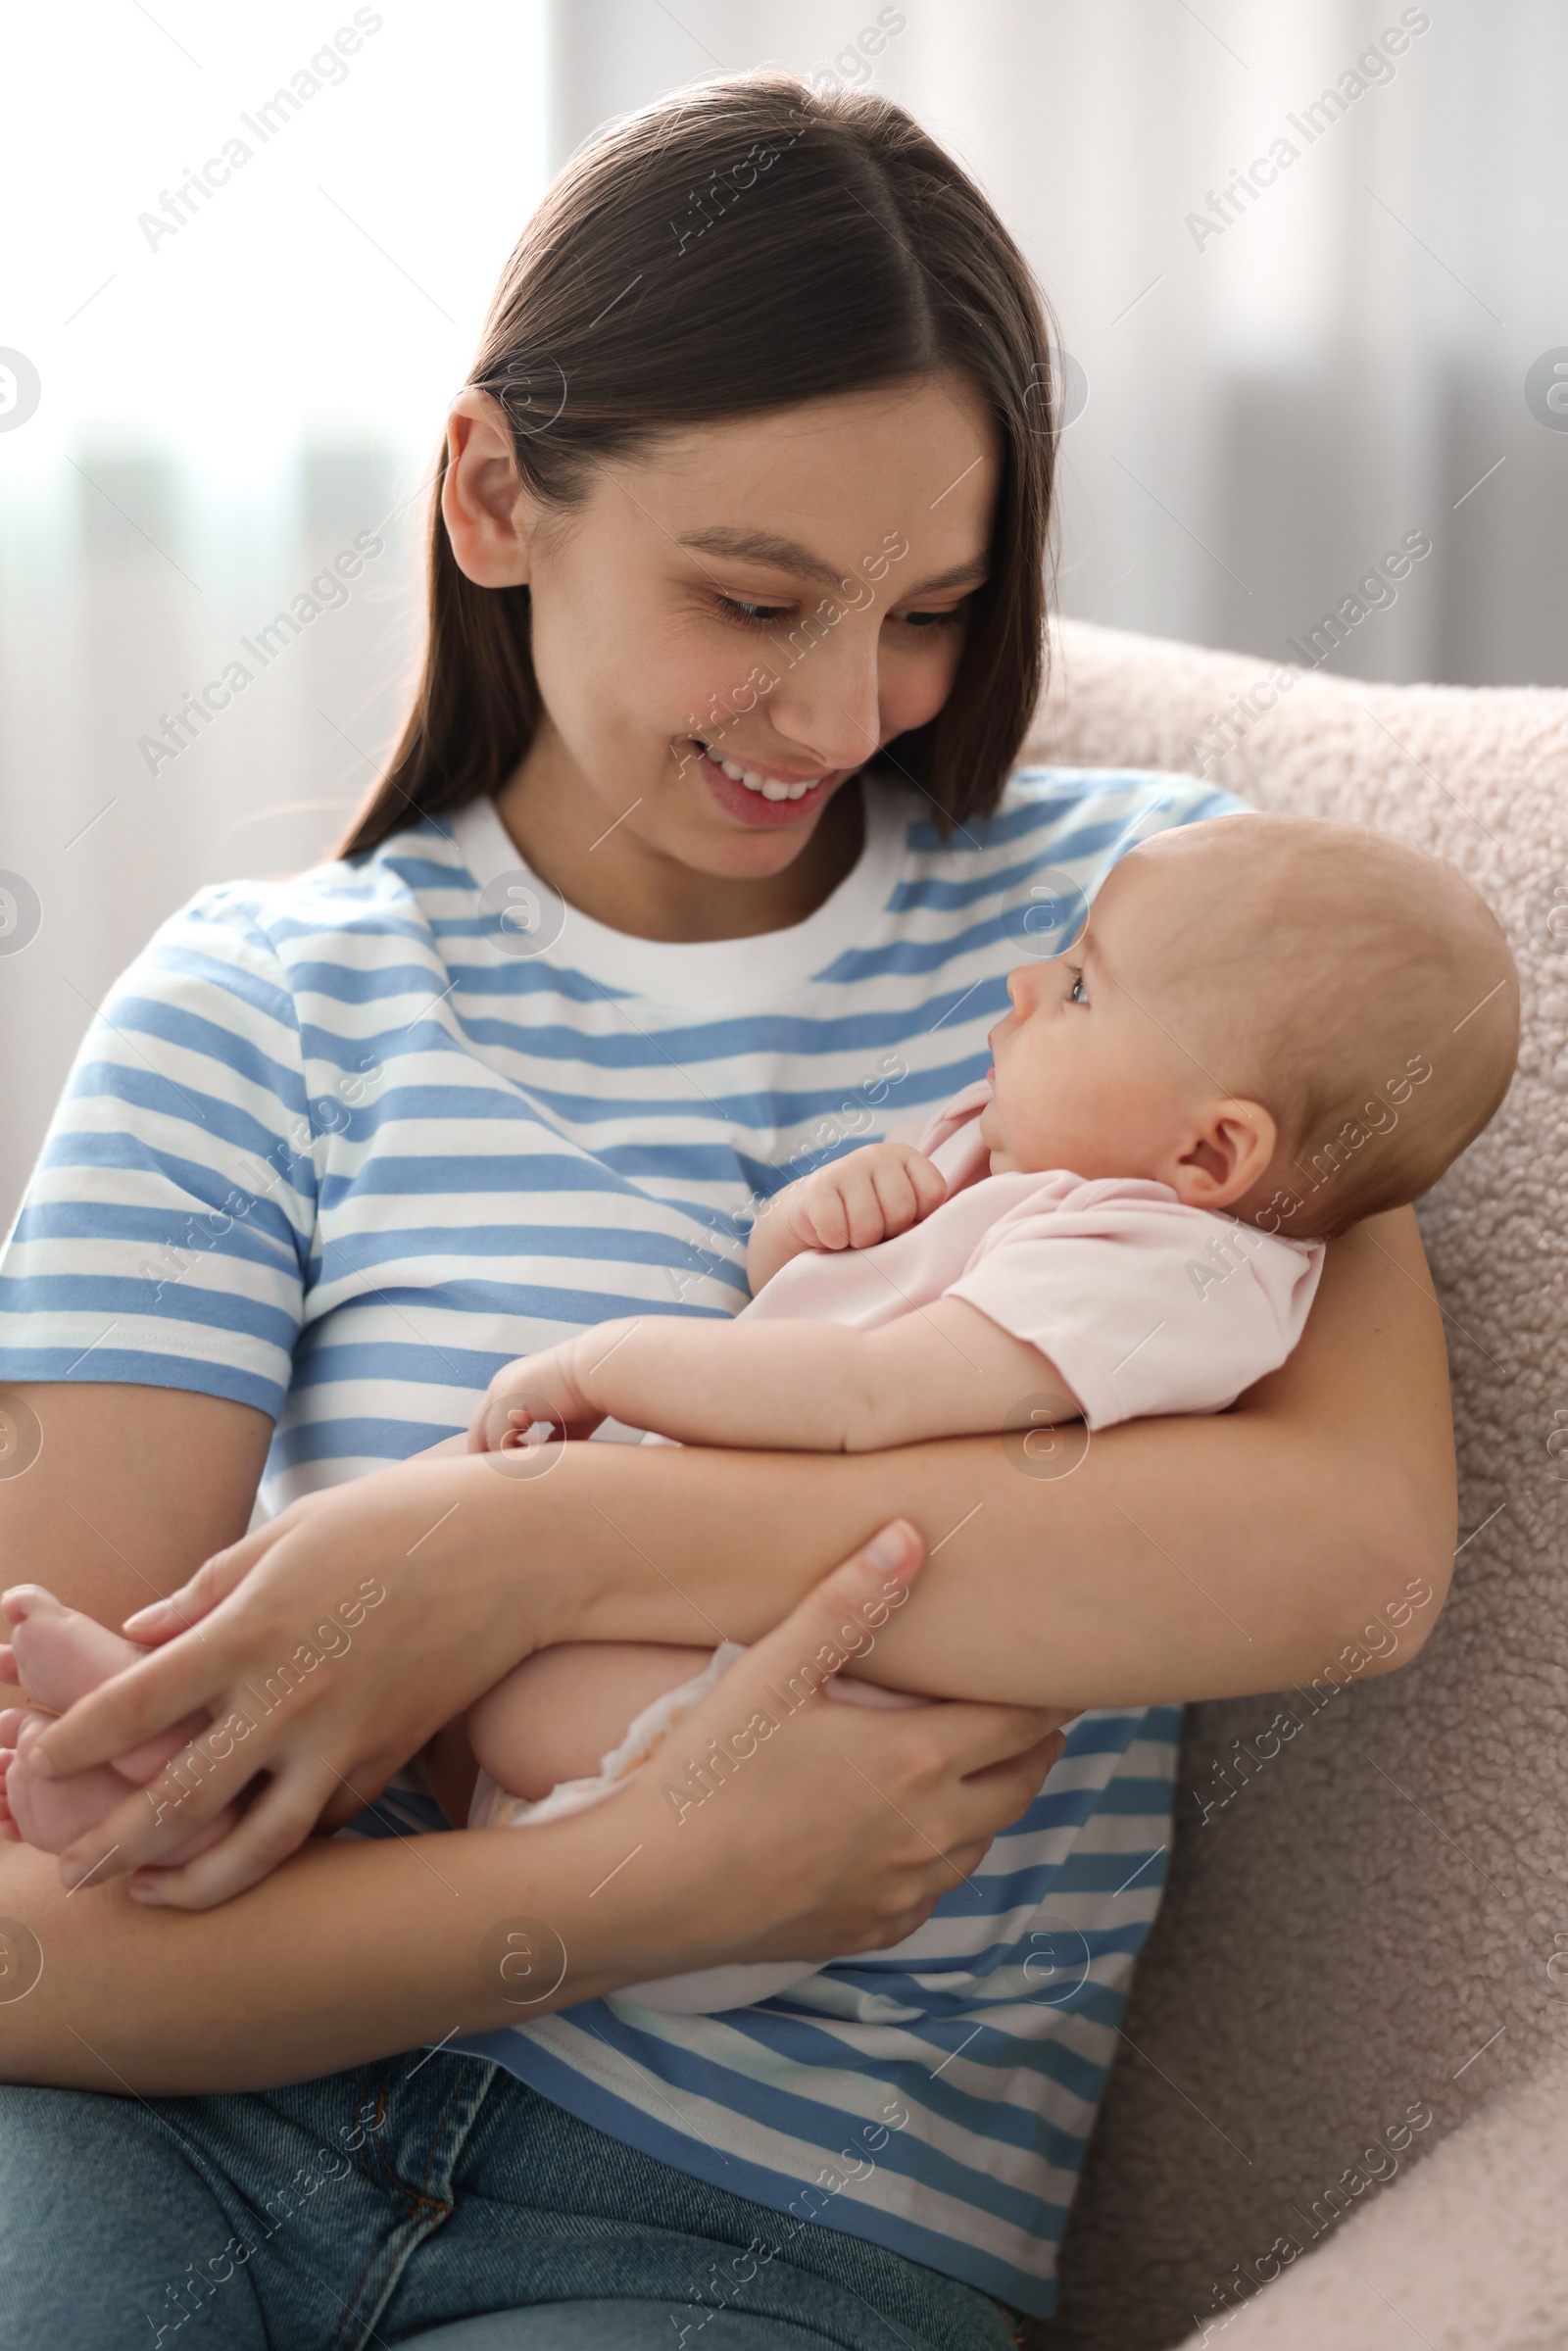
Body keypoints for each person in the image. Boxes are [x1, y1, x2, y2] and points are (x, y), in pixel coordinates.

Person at [0, 73, 1460, 2351]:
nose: (837, 710)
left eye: (930, 613)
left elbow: (1342, 1556)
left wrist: (505, 1549)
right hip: (190, 2112)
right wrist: (613, 1894)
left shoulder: (1162, 937)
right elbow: (26, 1907)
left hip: (763, 2245)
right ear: (493, 494)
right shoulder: (255, 1010)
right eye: (754, 597)